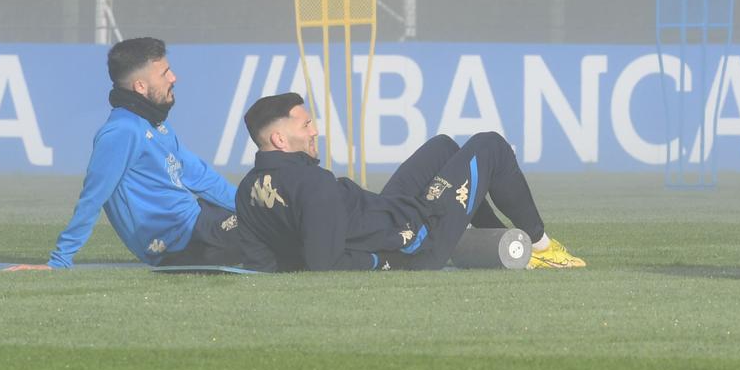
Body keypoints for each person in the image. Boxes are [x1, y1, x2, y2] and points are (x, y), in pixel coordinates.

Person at [235, 92, 582, 272]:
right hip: (414, 240)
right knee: (491, 145)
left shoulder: (247, 189)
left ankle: (502, 242)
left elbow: (260, 259)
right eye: (306, 125)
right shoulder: (314, 184)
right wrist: (390, 264)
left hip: (385, 214)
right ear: (280, 140)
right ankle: (541, 248)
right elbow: (324, 264)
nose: (316, 131)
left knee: (443, 147)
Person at [30, 37, 242, 270]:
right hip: (181, 246)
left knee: (274, 218)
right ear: (140, 86)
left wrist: (251, 208)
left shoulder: (154, 123)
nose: (174, 78)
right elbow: (93, 198)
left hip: (201, 226)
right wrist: (59, 261)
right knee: (276, 236)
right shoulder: (121, 132)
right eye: (165, 73)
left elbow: (199, 176)